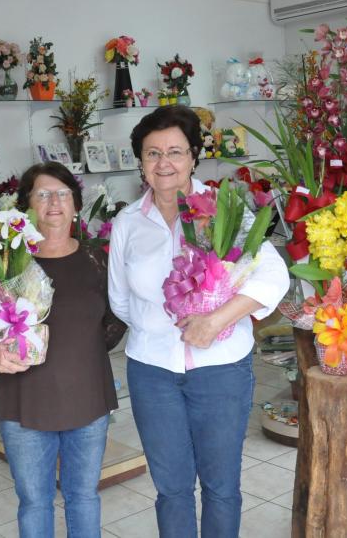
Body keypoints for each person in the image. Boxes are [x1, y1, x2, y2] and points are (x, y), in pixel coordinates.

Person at [107, 106, 289, 537]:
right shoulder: (128, 223)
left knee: (221, 487)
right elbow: (120, 298)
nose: (163, 163)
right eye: (152, 153)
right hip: (153, 372)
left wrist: (215, 321)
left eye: (174, 151)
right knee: (171, 489)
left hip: (221, 370)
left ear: (193, 157)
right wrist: (160, 329)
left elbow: (273, 274)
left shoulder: (226, 207)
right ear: (141, 162)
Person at [0, 161, 126, 538]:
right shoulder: (3, 260)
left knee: (83, 496)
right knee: (34, 501)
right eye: (43, 194)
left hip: (88, 401)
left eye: (63, 193)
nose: (55, 202)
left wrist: (78, 353)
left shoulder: (98, 258)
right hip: (24, 403)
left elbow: (116, 321)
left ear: (75, 203)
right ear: (27, 206)